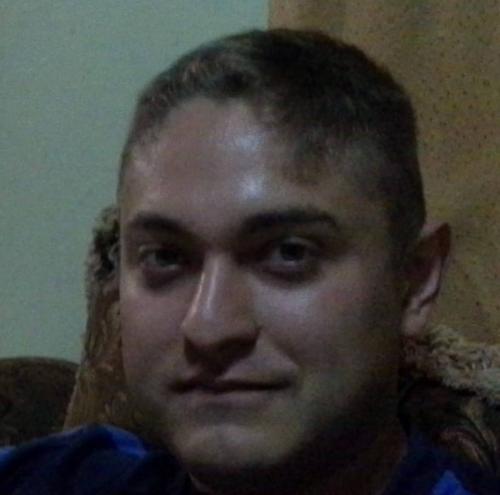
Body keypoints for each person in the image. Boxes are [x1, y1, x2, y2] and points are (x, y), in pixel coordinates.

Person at [0, 28, 498, 495]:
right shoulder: (72, 475)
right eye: (166, 257)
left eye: (289, 253)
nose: (208, 327)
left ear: (414, 281)